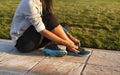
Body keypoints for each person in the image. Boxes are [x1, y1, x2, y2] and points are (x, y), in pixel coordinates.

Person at [10, 0, 90, 57]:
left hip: (35, 39)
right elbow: (41, 30)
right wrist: (67, 42)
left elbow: (54, 25)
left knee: (64, 26)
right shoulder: (29, 2)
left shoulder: (42, 2)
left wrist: (71, 37)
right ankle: (70, 47)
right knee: (49, 17)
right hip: (23, 43)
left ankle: (51, 46)